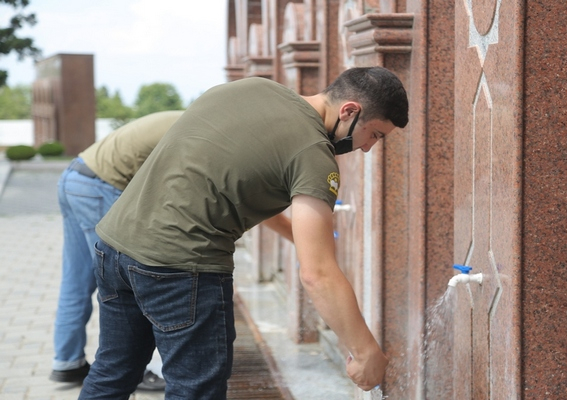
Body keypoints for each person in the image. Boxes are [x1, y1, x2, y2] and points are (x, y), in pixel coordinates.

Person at [79, 66, 409, 399]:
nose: (367, 148)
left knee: (113, 373)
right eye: (375, 135)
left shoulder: (250, 89)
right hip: (182, 267)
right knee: (194, 389)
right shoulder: (314, 155)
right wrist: (365, 351)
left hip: (115, 246)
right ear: (349, 111)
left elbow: (225, 174)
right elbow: (317, 273)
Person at [51, 111, 183, 390]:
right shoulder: (195, 131)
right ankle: (133, 370)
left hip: (75, 176)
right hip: (100, 186)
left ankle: (67, 362)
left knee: (77, 279)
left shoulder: (183, 119)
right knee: (124, 282)